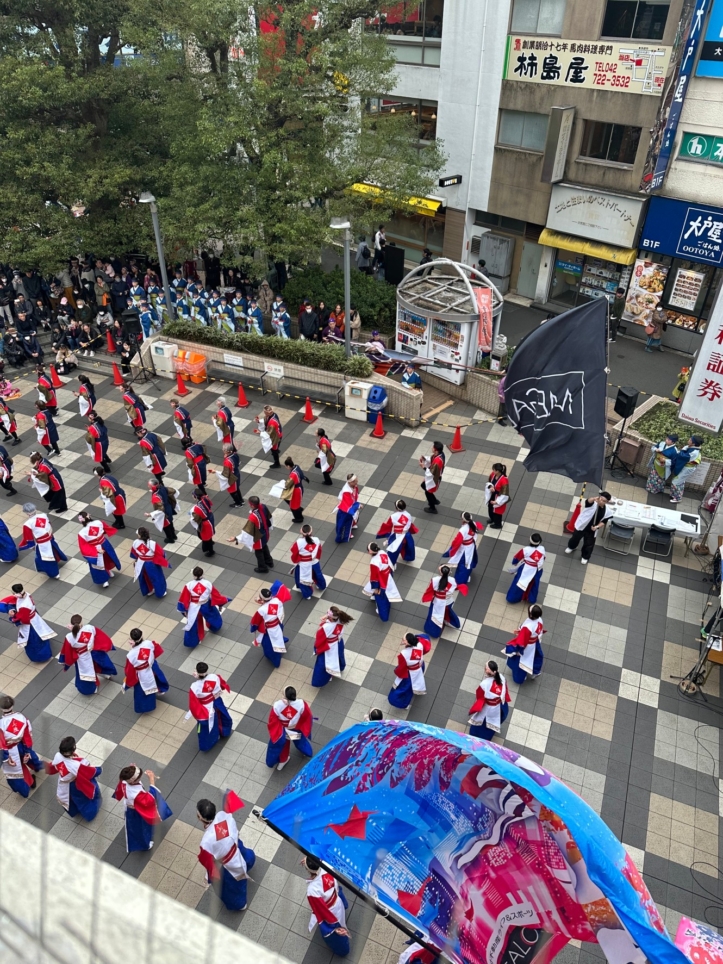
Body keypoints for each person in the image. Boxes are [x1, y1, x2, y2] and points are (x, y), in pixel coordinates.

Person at [196, 796, 256, 911]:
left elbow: (209, 861)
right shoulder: (222, 815)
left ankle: (240, 904)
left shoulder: (206, 841)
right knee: (245, 857)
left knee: (232, 885)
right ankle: (249, 863)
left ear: (200, 817)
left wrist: (208, 876)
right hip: (236, 846)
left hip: (229, 863)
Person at [113, 766, 172, 853]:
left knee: (138, 827)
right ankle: (145, 845)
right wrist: (151, 780)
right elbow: (149, 799)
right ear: (133, 781)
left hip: (131, 806)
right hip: (136, 812)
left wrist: (132, 768)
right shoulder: (136, 794)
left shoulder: (125, 781)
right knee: (140, 828)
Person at [45, 736, 102, 821]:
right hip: (75, 785)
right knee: (83, 800)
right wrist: (99, 769)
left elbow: (53, 766)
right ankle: (90, 814)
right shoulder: (77, 764)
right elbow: (90, 772)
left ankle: (74, 811)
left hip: (63, 784)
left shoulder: (58, 756)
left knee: (69, 799)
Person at [304, 856, 351, 957]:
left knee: (334, 933)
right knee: (341, 917)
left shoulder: (312, 890)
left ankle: (342, 949)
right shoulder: (326, 866)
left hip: (330, 911)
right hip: (337, 900)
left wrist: (331, 926)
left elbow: (320, 909)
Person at [58, 615, 116, 695]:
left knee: (85, 673)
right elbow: (100, 636)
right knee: (100, 663)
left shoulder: (69, 637)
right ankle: (106, 673)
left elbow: (67, 650)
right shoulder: (89, 628)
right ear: (81, 623)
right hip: (94, 652)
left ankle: (90, 689)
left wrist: (64, 661)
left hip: (82, 657)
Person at [0, 695, 42, 797]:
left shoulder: (1, 724)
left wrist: (6, 758)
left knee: (14, 775)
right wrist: (27, 751)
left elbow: (1, 743)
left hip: (9, 751)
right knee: (31, 758)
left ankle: (24, 790)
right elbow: (27, 736)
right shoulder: (21, 717)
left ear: (1, 709)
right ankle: (36, 767)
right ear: (12, 705)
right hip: (21, 745)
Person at [178, 568, 231, 648]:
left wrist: (183, 609)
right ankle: (214, 627)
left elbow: (184, 598)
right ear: (203, 574)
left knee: (193, 624)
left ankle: (193, 641)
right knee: (213, 616)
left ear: (194, 575)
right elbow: (216, 595)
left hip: (194, 607)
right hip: (206, 604)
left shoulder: (188, 585)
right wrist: (224, 600)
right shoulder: (208, 583)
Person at [185, 662, 233, 749]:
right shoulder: (215, 677)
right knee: (222, 716)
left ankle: (211, 741)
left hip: (206, 707)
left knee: (208, 725)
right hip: (217, 701)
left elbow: (193, 703)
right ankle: (224, 731)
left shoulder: (194, 686)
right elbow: (222, 686)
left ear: (196, 671)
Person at [266, 685, 313, 770]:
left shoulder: (277, 705)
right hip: (295, 729)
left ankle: (282, 761)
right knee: (300, 741)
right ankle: (307, 752)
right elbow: (307, 716)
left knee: (282, 746)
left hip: (283, 731)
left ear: (284, 696)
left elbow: (272, 720)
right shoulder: (301, 704)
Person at [123, 628, 169, 713]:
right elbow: (157, 648)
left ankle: (145, 707)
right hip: (152, 667)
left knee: (142, 691)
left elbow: (129, 670)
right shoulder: (148, 643)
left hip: (141, 673)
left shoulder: (131, 655)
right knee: (157, 678)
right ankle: (161, 689)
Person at [18, 502, 67, 578]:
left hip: (42, 544)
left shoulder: (27, 524)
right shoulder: (43, 515)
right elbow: (49, 525)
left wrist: (32, 546)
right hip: (50, 538)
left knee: (46, 558)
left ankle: (54, 573)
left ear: (26, 513)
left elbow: (28, 537)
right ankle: (58, 559)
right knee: (54, 550)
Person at [565, 491, 612, 564]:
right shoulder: (593, 504)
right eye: (600, 499)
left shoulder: (607, 511)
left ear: (607, 502)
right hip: (582, 525)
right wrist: (594, 498)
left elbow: (603, 522)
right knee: (575, 538)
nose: (601, 501)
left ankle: (585, 556)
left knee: (589, 544)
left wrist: (597, 526)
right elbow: (588, 501)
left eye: (603, 501)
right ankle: (571, 547)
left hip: (592, 530)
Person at [468, 661, 511, 740]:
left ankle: (474, 735)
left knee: (481, 722)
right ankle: (487, 738)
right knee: (493, 722)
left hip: (488, 707)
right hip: (499, 706)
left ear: (486, 671)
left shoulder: (484, 684)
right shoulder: (502, 677)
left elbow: (480, 697)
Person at [77, 511, 121, 587]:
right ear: (89, 517)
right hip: (104, 543)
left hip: (95, 547)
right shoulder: (98, 522)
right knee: (107, 558)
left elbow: (83, 546)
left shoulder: (81, 533)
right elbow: (105, 529)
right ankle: (108, 572)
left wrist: (96, 550)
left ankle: (105, 578)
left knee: (98, 564)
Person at [388, 632, 432, 709]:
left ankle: (403, 703)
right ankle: (418, 690)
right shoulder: (420, 644)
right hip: (419, 667)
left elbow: (402, 667)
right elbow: (425, 640)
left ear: (407, 642)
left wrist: (398, 671)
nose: (402, 640)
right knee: (417, 681)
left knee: (404, 688)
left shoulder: (403, 653)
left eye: (403, 639)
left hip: (409, 673)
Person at [422, 566, 466, 639]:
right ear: (449, 572)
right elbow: (455, 588)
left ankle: (434, 632)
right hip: (448, 601)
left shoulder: (435, 580)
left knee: (434, 616)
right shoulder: (452, 580)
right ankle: (454, 623)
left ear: (440, 572)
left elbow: (430, 590)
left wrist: (426, 597)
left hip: (437, 602)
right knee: (448, 612)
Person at [250, 584, 290, 667]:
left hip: (269, 630)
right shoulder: (277, 600)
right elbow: (269, 606)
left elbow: (255, 621)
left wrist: (253, 628)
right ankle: (282, 641)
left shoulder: (261, 610)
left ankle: (276, 661)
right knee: (278, 636)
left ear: (261, 599)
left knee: (269, 646)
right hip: (278, 624)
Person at [231, 495, 274, 572]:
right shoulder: (263, 506)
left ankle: (263, 567)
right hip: (266, 532)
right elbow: (269, 517)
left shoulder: (253, 517)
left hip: (258, 536)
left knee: (258, 552)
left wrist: (236, 538)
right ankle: (269, 562)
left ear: (251, 505)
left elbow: (247, 531)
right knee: (264, 547)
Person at [504, 604, 545, 684]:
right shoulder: (539, 619)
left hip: (527, 646)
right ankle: (535, 671)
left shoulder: (528, 626)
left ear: (531, 614)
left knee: (521, 661)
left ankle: (521, 677)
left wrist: (519, 650)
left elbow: (522, 642)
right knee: (536, 656)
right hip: (534, 643)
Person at [312, 606, 351, 686]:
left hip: (328, 647)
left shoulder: (327, 627)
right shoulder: (340, 620)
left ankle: (323, 679)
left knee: (323, 664)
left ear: (330, 617)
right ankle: (339, 668)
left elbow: (319, 639)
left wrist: (316, 649)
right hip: (338, 642)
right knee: (339, 657)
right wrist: (327, 617)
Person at [363, 542, 402, 622]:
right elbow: (389, 564)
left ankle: (383, 614)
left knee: (381, 597)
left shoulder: (374, 562)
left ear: (370, 552)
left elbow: (374, 577)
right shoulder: (383, 552)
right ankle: (375, 596)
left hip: (381, 580)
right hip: (387, 575)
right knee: (386, 592)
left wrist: (376, 588)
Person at [130, 527, 170, 598]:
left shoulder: (135, 542)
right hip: (151, 563)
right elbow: (161, 553)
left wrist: (137, 559)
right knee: (157, 577)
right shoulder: (152, 543)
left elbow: (134, 553)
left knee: (144, 577)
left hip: (141, 563)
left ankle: (149, 590)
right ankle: (161, 592)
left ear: (139, 535)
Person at [506, 533, 546, 604]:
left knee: (519, 583)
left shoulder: (525, 550)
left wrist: (515, 563)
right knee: (534, 584)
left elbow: (516, 558)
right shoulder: (542, 548)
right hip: (538, 570)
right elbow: (543, 558)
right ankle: (531, 598)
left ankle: (512, 598)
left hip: (526, 569)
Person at [376, 500, 417, 565]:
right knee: (408, 546)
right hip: (407, 535)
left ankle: (391, 562)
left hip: (397, 536)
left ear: (397, 508)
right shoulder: (408, 515)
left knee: (393, 549)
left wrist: (384, 534)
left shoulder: (393, 516)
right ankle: (408, 557)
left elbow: (388, 526)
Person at [442, 512, 480, 585]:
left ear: (463, 519)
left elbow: (456, 542)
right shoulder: (473, 524)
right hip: (471, 546)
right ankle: (467, 576)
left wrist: (451, 551)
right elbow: (475, 534)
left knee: (462, 565)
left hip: (464, 549)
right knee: (469, 562)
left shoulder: (463, 530)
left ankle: (460, 582)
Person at [291, 524, 326, 599]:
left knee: (303, 579)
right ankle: (321, 585)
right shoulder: (316, 539)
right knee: (318, 574)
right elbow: (319, 550)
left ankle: (307, 594)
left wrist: (296, 560)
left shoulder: (298, 542)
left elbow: (294, 553)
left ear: (301, 531)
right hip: (314, 562)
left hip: (303, 564)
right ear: (311, 531)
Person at [670, 436, 703, 504]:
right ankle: (674, 495)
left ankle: (678, 498)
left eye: (690, 440)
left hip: (687, 468)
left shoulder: (695, 452)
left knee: (676, 482)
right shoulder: (691, 448)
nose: (688, 440)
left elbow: (683, 456)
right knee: (680, 482)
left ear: (693, 443)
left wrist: (682, 450)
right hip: (685, 467)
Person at [146, 479, 178, 544]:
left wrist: (151, 514)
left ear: (153, 487)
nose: (148, 486)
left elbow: (161, 509)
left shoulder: (155, 497)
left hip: (164, 513)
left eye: (149, 485)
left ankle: (170, 539)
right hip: (169, 508)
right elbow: (173, 491)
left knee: (166, 526)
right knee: (170, 522)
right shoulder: (162, 488)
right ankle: (174, 536)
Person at [214, 442, 244, 507]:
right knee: (237, 488)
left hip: (232, 476)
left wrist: (216, 472)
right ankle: (241, 500)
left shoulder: (227, 461)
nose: (222, 450)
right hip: (236, 472)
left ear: (227, 451)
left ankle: (238, 503)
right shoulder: (235, 454)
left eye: (223, 450)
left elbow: (225, 473)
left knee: (232, 491)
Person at [420, 441, 445, 513]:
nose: (432, 448)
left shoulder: (438, 461)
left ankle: (432, 508)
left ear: (435, 450)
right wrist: (424, 458)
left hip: (434, 479)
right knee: (424, 487)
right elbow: (432, 460)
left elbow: (431, 473)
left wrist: (423, 467)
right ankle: (434, 500)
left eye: (433, 447)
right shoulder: (440, 455)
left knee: (427, 492)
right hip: (435, 477)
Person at [335, 473, 361, 543]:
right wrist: (358, 505)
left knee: (355, 516)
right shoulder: (346, 491)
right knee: (344, 522)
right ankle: (344, 535)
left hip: (350, 505)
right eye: (355, 481)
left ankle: (353, 525)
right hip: (345, 509)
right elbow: (348, 504)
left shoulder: (353, 486)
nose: (357, 482)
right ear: (350, 482)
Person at [191, 487, 216, 556]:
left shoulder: (197, 507)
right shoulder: (205, 498)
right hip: (210, 517)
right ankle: (210, 545)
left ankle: (211, 551)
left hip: (205, 523)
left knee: (205, 537)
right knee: (208, 535)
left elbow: (196, 518)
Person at [281, 457, 306, 522]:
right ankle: (299, 510)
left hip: (295, 490)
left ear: (288, 466)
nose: (286, 467)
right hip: (299, 488)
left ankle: (299, 518)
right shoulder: (296, 467)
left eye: (286, 466)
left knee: (294, 506)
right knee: (296, 502)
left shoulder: (293, 475)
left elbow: (287, 485)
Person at [486, 463, 509, 529]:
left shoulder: (504, 480)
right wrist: (490, 486)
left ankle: (498, 524)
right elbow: (489, 482)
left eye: (494, 469)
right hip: (492, 496)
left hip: (499, 498)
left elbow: (505, 494)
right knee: (490, 508)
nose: (492, 471)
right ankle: (492, 519)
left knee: (497, 512)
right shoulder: (493, 474)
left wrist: (497, 502)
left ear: (497, 471)